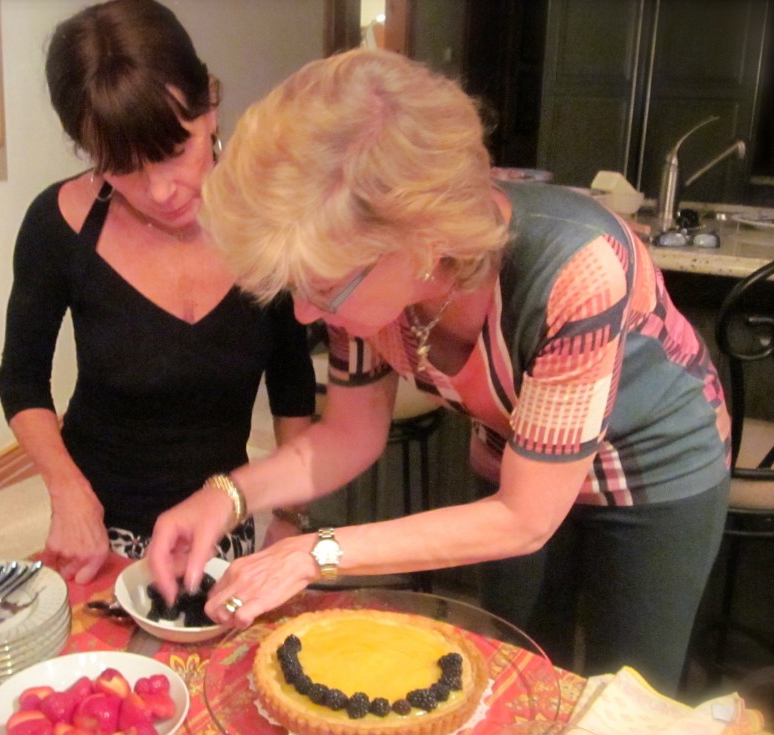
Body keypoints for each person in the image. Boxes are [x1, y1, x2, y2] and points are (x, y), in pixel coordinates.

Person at [146, 48, 730, 695]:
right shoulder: (374, 280)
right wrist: (225, 495)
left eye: (327, 287)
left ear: (424, 239)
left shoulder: (577, 266)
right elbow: (350, 434)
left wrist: (314, 552)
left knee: (626, 697)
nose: (309, 310)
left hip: (650, 467)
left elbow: (523, 517)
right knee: (519, 676)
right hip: (516, 455)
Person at [0, 0, 315, 585]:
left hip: (223, 521)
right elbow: (20, 380)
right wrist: (68, 493)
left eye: (175, 152)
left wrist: (290, 517)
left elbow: (293, 389)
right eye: (125, 168)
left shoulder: (268, 223)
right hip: (99, 528)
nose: (163, 190)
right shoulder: (59, 225)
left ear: (210, 106)